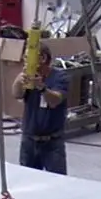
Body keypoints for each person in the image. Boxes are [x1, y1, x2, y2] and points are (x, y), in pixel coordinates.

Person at [13, 45, 69, 175]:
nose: (25, 61)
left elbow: (55, 101)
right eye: (24, 57)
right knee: (28, 178)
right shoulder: (28, 78)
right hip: (29, 140)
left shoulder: (60, 77)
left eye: (28, 58)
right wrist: (18, 82)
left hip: (52, 143)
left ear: (43, 58)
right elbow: (17, 95)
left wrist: (42, 88)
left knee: (57, 180)